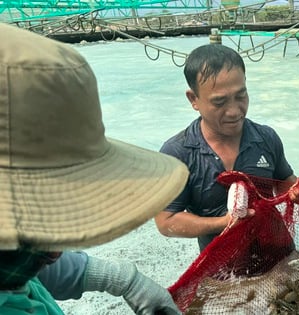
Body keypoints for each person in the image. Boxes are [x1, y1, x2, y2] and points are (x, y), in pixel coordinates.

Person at [0, 23, 189, 315]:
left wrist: (123, 280)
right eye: (33, 235)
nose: (54, 252)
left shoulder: (10, 271)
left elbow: (27, 269)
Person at [155, 44, 299, 252]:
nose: (234, 111)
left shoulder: (266, 137)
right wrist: (225, 222)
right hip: (221, 271)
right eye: (219, 102)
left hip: (280, 257)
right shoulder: (177, 153)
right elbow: (166, 221)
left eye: (241, 96)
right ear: (193, 99)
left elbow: (284, 184)